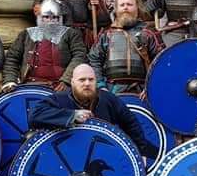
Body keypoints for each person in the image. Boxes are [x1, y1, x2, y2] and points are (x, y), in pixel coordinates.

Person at [28, 64, 158, 160]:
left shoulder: (109, 99)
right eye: (82, 80)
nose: (87, 83)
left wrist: (140, 151)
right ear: (72, 82)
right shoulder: (58, 99)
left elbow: (131, 123)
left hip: (103, 155)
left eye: (91, 79)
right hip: (69, 157)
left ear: (96, 81)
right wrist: (72, 115)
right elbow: (34, 116)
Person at [1, 0, 87, 93]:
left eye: (55, 17)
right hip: (29, 86)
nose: (50, 21)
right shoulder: (26, 34)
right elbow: (12, 59)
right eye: (46, 17)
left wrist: (66, 80)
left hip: (60, 87)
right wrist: (10, 81)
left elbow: (80, 56)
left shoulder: (71, 34)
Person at [88, 0, 163, 95]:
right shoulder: (107, 34)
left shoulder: (149, 32)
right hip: (112, 90)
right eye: (122, 5)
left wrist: (151, 87)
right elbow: (94, 59)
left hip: (142, 91)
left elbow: (161, 61)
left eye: (129, 4)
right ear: (116, 9)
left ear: (137, 8)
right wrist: (101, 86)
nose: (125, 8)